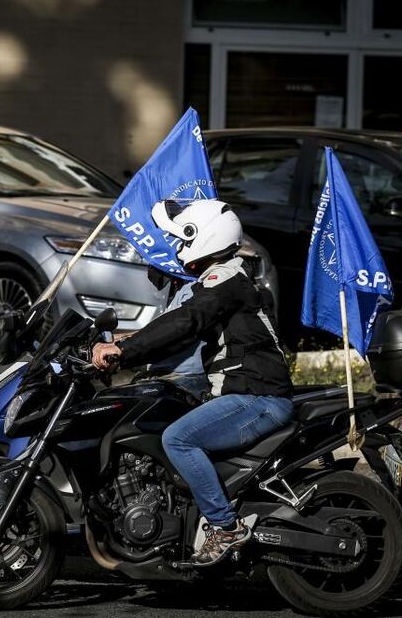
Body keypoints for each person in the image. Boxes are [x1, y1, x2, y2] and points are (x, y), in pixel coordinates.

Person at [92, 198, 294, 566]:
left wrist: (125, 353)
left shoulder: (225, 279)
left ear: (203, 236)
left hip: (257, 396)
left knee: (178, 439)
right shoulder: (226, 279)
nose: (179, 248)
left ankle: (225, 527)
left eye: (184, 239)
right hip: (248, 392)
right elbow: (181, 328)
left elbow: (185, 321)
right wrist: (126, 343)